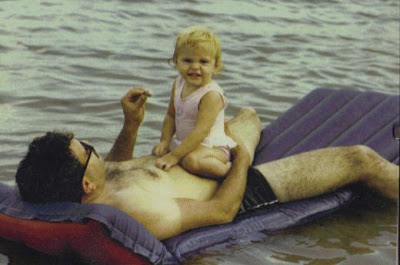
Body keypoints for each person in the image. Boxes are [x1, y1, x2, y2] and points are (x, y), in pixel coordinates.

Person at [15, 88, 399, 240]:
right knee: (360, 158)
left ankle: (238, 134)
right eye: (86, 149)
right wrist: (242, 160)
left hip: (201, 160)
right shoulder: (137, 210)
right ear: (86, 185)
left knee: (247, 115)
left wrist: (131, 124)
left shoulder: (90, 185)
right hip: (245, 187)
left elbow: (114, 166)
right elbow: (222, 211)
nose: (90, 146)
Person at [152, 26, 236, 178]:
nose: (195, 67)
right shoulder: (178, 83)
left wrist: (174, 156)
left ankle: (229, 169)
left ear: (215, 66)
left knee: (191, 161)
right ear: (176, 61)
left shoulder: (210, 95)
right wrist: (165, 141)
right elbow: (171, 116)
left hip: (212, 148)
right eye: (187, 60)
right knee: (159, 151)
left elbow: (201, 131)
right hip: (187, 144)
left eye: (203, 62)